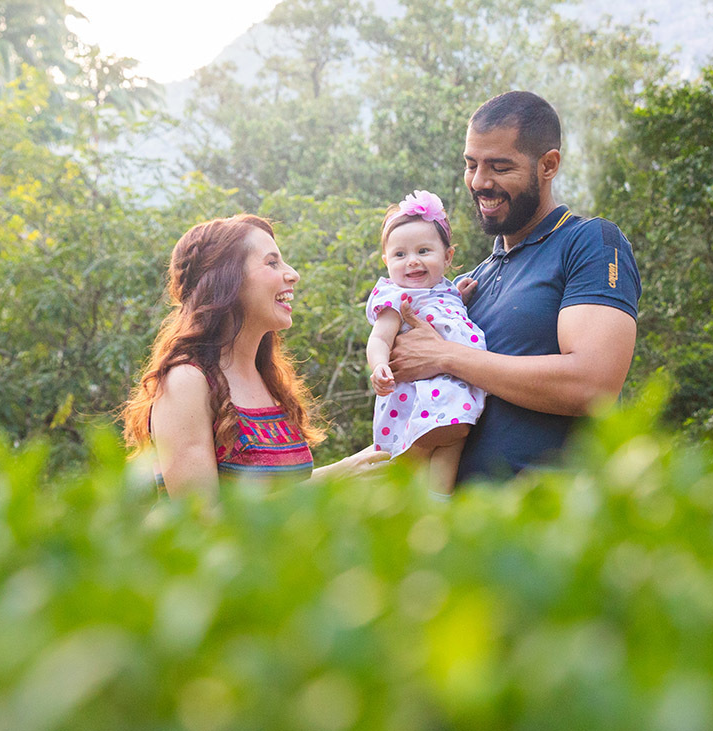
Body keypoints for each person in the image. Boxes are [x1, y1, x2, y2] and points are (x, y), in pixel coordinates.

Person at [389, 91, 641, 482]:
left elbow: (593, 385)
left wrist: (447, 355)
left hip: (554, 511)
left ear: (548, 165)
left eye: (500, 167)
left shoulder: (589, 242)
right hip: (461, 513)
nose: (479, 182)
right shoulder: (472, 282)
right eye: (471, 165)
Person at [123, 214, 387, 498]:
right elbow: (200, 516)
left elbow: (280, 493)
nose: (293, 274)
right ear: (227, 280)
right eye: (272, 263)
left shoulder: (267, 380)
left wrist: (355, 466)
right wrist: (335, 479)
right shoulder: (186, 381)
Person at [365, 190, 486, 495]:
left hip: (453, 395)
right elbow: (379, 338)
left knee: (454, 439)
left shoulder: (446, 292)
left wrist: (458, 297)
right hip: (418, 399)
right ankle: (403, 499)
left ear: (447, 257)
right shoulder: (397, 299)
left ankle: (438, 502)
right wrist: (379, 366)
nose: (412, 261)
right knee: (416, 455)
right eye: (400, 255)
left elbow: (445, 319)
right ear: (386, 261)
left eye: (423, 251)